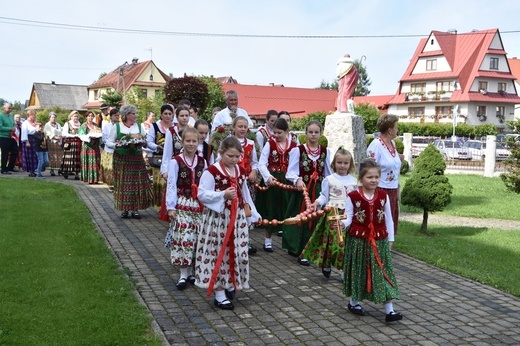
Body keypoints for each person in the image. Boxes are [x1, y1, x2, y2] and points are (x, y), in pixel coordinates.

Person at [196, 136, 261, 310]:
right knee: (219, 253)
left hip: (237, 217)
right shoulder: (212, 171)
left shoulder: (239, 170)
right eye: (229, 156)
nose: (233, 160)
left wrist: (253, 213)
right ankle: (219, 293)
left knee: (239, 252)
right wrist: (222, 195)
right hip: (218, 219)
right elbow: (202, 194)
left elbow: (244, 193)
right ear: (221, 153)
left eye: (236, 156)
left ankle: (231, 281)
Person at [336, 158, 402, 322]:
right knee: (359, 271)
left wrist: (390, 239)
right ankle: (354, 302)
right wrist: (342, 224)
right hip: (359, 241)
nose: (373, 180)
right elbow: (349, 217)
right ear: (361, 178)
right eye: (369, 177)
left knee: (382, 271)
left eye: (376, 177)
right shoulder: (353, 196)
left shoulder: (383, 196)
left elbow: (388, 219)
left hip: (379, 241)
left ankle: (389, 310)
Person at [301, 147, 357, 278]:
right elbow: (324, 196)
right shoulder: (329, 179)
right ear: (334, 163)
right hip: (333, 214)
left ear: (350, 165)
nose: (342, 166)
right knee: (335, 241)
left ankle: (344, 269)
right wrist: (317, 203)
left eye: (345, 163)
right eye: (339, 162)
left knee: (347, 243)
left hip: (349, 214)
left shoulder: (354, 181)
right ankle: (326, 262)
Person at [283, 120, 332, 265]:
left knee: (315, 220)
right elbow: (290, 172)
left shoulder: (326, 152)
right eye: (310, 132)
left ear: (321, 133)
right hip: (302, 191)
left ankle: (312, 249)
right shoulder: (298, 150)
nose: (313, 135)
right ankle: (297, 248)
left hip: (318, 191)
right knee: (301, 219)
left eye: (316, 132)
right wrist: (297, 180)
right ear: (306, 133)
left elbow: (328, 173)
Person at [164, 128, 206, 290]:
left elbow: (206, 185)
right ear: (182, 142)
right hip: (182, 204)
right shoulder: (176, 161)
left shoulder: (202, 161)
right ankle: (183, 274)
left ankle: (192, 272)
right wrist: (170, 207)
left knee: (196, 238)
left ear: (198, 142)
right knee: (184, 237)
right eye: (187, 141)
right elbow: (171, 185)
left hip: (198, 206)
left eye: (194, 141)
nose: (191, 144)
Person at [106, 104, 153, 219]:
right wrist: (117, 144)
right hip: (122, 159)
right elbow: (108, 142)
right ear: (126, 115)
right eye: (134, 113)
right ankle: (125, 209)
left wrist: (143, 143)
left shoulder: (138, 126)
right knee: (123, 184)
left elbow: (144, 140)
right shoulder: (117, 126)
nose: (136, 115)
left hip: (136, 159)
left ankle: (135, 209)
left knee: (136, 184)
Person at [257, 118, 296, 252]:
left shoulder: (294, 145)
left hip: (287, 182)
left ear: (287, 131)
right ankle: (268, 240)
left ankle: (290, 242)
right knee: (270, 209)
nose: (276, 135)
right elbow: (261, 163)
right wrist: (268, 177)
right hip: (273, 181)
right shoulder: (270, 144)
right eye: (275, 132)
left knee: (288, 211)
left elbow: (297, 164)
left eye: (279, 133)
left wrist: (295, 178)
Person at [367, 114, 403, 235]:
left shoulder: (393, 144)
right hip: (380, 190)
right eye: (396, 127)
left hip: (392, 190)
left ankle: (387, 250)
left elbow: (394, 166)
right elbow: (369, 168)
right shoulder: (376, 145)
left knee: (390, 222)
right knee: (379, 222)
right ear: (389, 130)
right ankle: (375, 251)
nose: (397, 129)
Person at [232, 116, 259, 255]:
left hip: (247, 182)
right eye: (240, 126)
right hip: (233, 182)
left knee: (248, 209)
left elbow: (254, 162)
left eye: (245, 126)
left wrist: (254, 171)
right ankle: (233, 238)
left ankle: (246, 240)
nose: (242, 129)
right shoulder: (229, 142)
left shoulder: (251, 143)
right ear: (234, 127)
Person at [147, 105, 174, 209]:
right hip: (158, 157)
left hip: (172, 158)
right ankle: (159, 206)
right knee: (160, 182)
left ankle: (169, 206)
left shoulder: (175, 127)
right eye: (165, 114)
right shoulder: (155, 126)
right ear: (161, 115)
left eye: (169, 114)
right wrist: (157, 146)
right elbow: (149, 142)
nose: (167, 116)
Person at [160, 106, 190, 177]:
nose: (184, 118)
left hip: (188, 166)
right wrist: (165, 170)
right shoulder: (171, 131)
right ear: (177, 117)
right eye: (182, 116)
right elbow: (167, 153)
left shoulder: (192, 131)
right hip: (174, 166)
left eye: (186, 115)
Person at [78, 111, 102, 184]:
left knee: (95, 162)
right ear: (86, 117)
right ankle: (88, 178)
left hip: (95, 146)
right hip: (87, 146)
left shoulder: (96, 125)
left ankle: (95, 179)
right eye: (89, 116)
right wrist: (89, 136)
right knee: (88, 162)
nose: (90, 117)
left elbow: (100, 133)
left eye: (92, 116)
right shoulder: (83, 126)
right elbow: (81, 136)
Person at [100, 108, 120, 191]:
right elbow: (104, 138)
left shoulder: (120, 125)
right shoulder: (107, 126)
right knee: (110, 168)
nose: (117, 117)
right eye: (115, 115)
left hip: (118, 150)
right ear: (111, 116)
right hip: (109, 150)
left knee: (117, 168)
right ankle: (111, 185)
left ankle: (117, 184)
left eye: (118, 115)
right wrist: (112, 143)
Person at [61, 110, 82, 180]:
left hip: (77, 143)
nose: (76, 118)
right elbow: (64, 133)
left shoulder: (79, 124)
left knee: (77, 158)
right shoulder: (68, 124)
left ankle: (76, 173)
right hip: (69, 142)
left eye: (77, 116)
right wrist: (73, 135)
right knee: (68, 157)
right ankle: (66, 171)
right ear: (71, 117)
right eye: (74, 116)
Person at [0, 103, 19, 174]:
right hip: (3, 137)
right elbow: (0, 127)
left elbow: (13, 124)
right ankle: (3, 169)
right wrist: (10, 128)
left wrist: (14, 127)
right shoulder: (1, 116)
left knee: (15, 151)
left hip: (11, 136)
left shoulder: (11, 116)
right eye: (9, 108)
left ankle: (10, 167)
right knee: (5, 153)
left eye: (11, 108)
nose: (10, 110)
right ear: (4, 108)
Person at [44, 111, 63, 176]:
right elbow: (47, 133)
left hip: (58, 142)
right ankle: (52, 170)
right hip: (51, 142)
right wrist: (55, 137)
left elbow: (61, 131)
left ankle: (59, 169)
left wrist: (60, 137)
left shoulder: (58, 124)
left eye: (54, 117)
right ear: (49, 118)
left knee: (59, 156)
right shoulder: (47, 125)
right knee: (52, 156)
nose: (53, 118)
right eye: (52, 117)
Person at [21, 109, 39, 177]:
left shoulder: (35, 123)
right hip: (29, 140)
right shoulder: (25, 123)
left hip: (35, 140)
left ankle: (36, 169)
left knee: (36, 155)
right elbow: (24, 133)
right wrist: (27, 141)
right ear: (30, 115)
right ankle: (31, 171)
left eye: (35, 115)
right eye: (33, 115)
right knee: (30, 156)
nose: (34, 116)